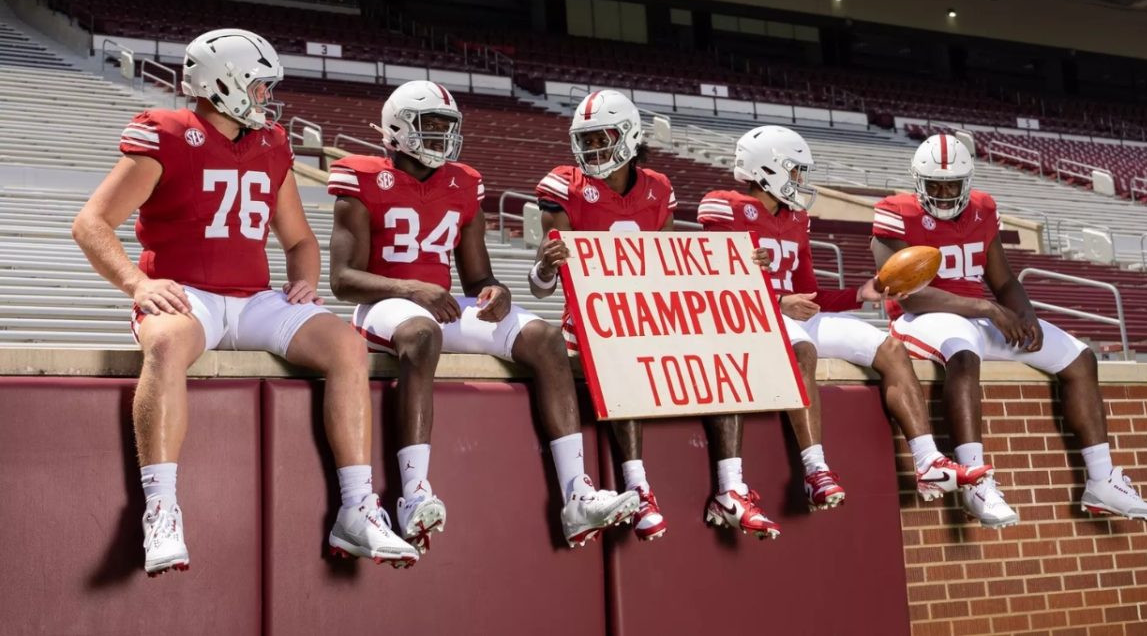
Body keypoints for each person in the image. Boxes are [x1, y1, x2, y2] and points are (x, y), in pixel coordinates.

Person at [72, 29, 416, 575]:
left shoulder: (271, 143)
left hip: (255, 299)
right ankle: (160, 510)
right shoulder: (165, 134)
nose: (264, 98)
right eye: (257, 86)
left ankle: (357, 508)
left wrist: (303, 279)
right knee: (164, 343)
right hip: (189, 294)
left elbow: (299, 239)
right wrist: (138, 285)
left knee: (346, 344)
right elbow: (91, 223)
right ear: (222, 83)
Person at [327, 80, 639, 551]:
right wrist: (411, 287)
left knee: (545, 338)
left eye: (446, 127)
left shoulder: (463, 183)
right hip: (383, 306)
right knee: (422, 333)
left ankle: (577, 494)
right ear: (398, 128)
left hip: (439, 306)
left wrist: (495, 294)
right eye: (429, 126)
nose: (440, 137)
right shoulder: (364, 177)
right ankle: (412, 495)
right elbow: (343, 278)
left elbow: (477, 279)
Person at [871, 133, 1147, 528]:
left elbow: (1004, 279)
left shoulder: (982, 209)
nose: (942, 193)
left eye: (951, 185)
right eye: (935, 185)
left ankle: (1101, 481)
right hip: (923, 318)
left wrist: (1024, 314)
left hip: (979, 316)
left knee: (1080, 358)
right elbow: (907, 295)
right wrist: (988, 309)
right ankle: (975, 480)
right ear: (918, 181)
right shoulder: (895, 212)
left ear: (967, 182)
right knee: (962, 352)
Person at [698, 125, 992, 513]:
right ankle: (815, 470)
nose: (801, 180)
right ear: (768, 169)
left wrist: (859, 293)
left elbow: (812, 295)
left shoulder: (796, 219)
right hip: (751, 317)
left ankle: (928, 461)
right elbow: (711, 279)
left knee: (890, 347)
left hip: (791, 317)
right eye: (795, 170)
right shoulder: (725, 207)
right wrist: (778, 301)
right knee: (804, 348)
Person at [530, 90, 780, 539]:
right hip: (590, 322)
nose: (591, 150)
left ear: (628, 137)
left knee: (724, 350)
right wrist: (545, 264)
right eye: (585, 140)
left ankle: (731, 487)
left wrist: (738, 264)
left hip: (646, 318)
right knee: (621, 352)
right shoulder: (564, 185)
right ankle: (638, 486)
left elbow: (668, 269)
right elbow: (541, 284)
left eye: (602, 137)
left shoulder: (658, 188)